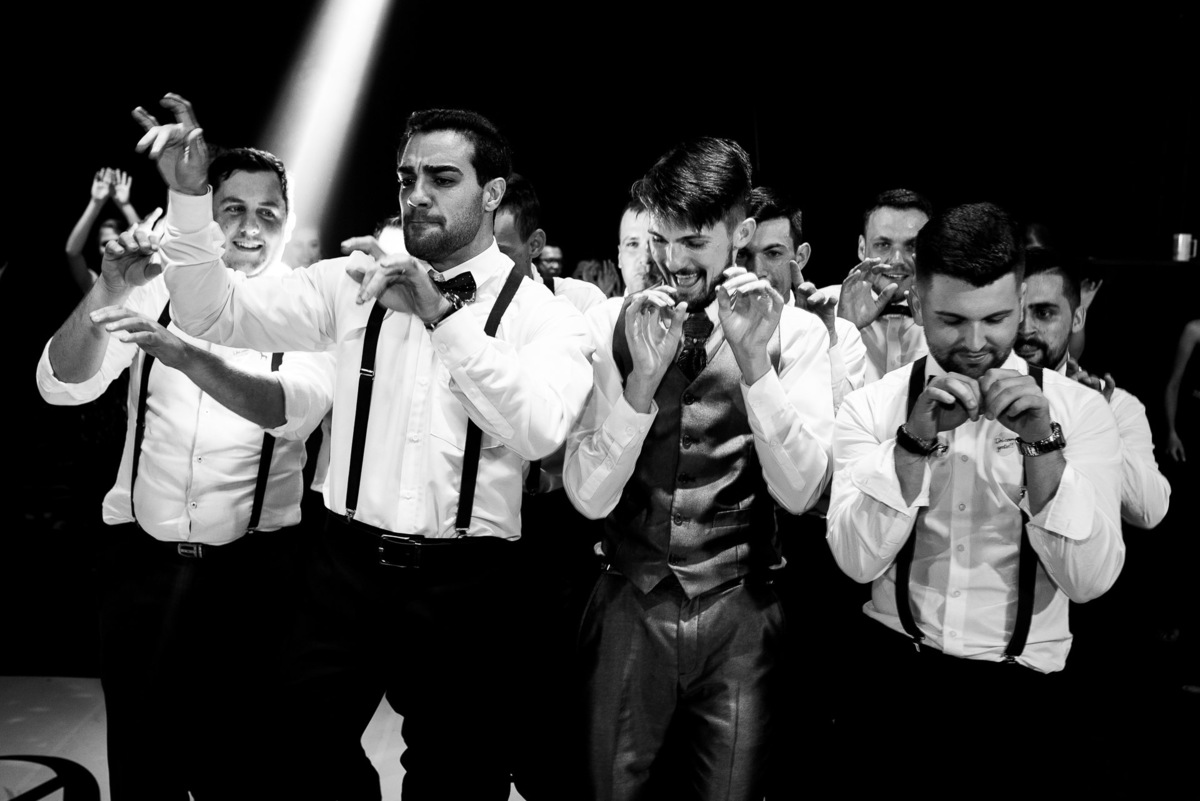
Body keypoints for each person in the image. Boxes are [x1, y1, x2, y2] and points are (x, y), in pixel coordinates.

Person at [137, 93, 593, 800]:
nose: (418, 194)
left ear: (491, 193)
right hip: (343, 569)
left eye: (443, 178)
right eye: (408, 177)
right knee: (298, 753)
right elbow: (211, 311)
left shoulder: (544, 315)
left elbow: (538, 428)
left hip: (467, 584)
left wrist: (441, 317)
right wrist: (190, 199)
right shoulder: (350, 282)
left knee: (457, 779)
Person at [36, 141, 336, 800]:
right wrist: (110, 289)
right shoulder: (154, 289)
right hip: (141, 568)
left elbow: (289, 411)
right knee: (143, 771)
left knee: (243, 773)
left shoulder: (311, 306)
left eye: (267, 212)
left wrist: (185, 355)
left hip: (253, 579)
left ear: (288, 221)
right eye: (232, 209)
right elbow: (62, 384)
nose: (250, 227)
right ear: (205, 215)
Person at [563, 136, 835, 800]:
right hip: (629, 598)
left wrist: (756, 365)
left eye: (694, 241)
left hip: (742, 610)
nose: (674, 261)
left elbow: (802, 491)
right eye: (661, 239)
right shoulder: (608, 324)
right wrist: (639, 386)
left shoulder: (795, 333)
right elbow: (588, 498)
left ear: (741, 231)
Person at [827, 202, 1124, 785]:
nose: (975, 342)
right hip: (893, 686)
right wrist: (911, 446)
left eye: (995, 319)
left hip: (1026, 705)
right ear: (917, 303)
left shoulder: (1082, 411)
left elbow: (1090, 582)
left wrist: (1044, 449)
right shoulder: (870, 408)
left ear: (1020, 302)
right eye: (951, 320)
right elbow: (856, 560)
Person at [1015, 247, 1169, 529]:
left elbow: (1149, 512)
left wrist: (1097, 421)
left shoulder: (1117, 406)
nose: (1025, 329)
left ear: (1077, 319)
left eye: (1044, 313)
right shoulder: (980, 399)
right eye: (1014, 312)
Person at [742, 186, 866, 410]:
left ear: (800, 257)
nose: (757, 271)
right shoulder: (713, 329)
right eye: (744, 254)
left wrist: (823, 341)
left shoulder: (842, 336)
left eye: (773, 254)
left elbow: (845, 421)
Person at [825, 188, 933, 382]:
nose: (897, 260)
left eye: (912, 246)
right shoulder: (822, 309)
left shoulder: (953, 315)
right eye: (883, 245)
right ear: (861, 247)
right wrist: (844, 328)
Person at [494, 171, 605, 313]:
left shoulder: (581, 302)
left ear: (535, 244)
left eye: (499, 253)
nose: (485, 264)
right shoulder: (468, 308)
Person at [65, 167, 144, 293]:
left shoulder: (144, 273)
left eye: (118, 241)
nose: (112, 246)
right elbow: (72, 253)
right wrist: (96, 202)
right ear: (98, 249)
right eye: (105, 243)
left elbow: (144, 237)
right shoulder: (95, 284)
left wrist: (125, 204)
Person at [616, 196, 654, 295]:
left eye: (655, 242)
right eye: (633, 244)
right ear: (620, 257)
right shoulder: (603, 306)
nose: (645, 258)